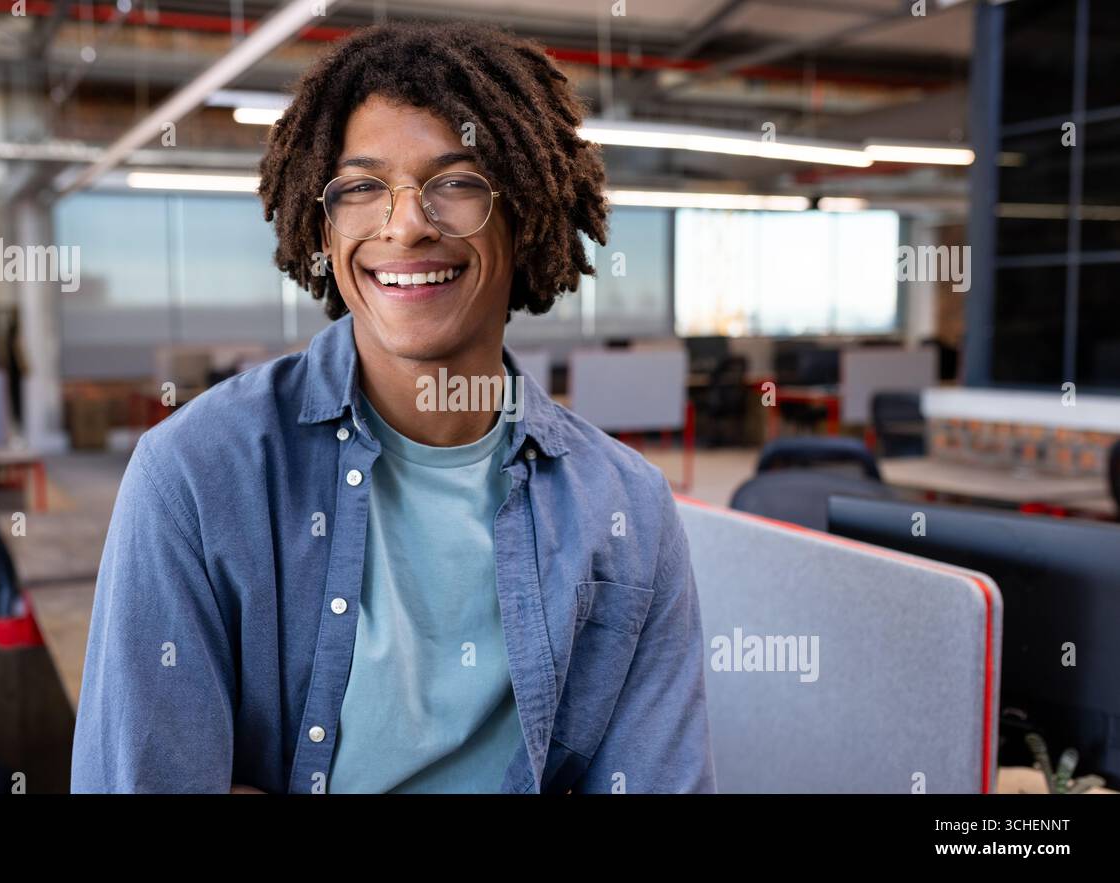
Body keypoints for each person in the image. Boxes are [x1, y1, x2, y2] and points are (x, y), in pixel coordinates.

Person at [71, 20, 714, 794]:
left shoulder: (629, 509)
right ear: (323, 222)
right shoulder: (196, 477)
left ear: (529, 211)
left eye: (456, 181)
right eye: (363, 187)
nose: (405, 224)